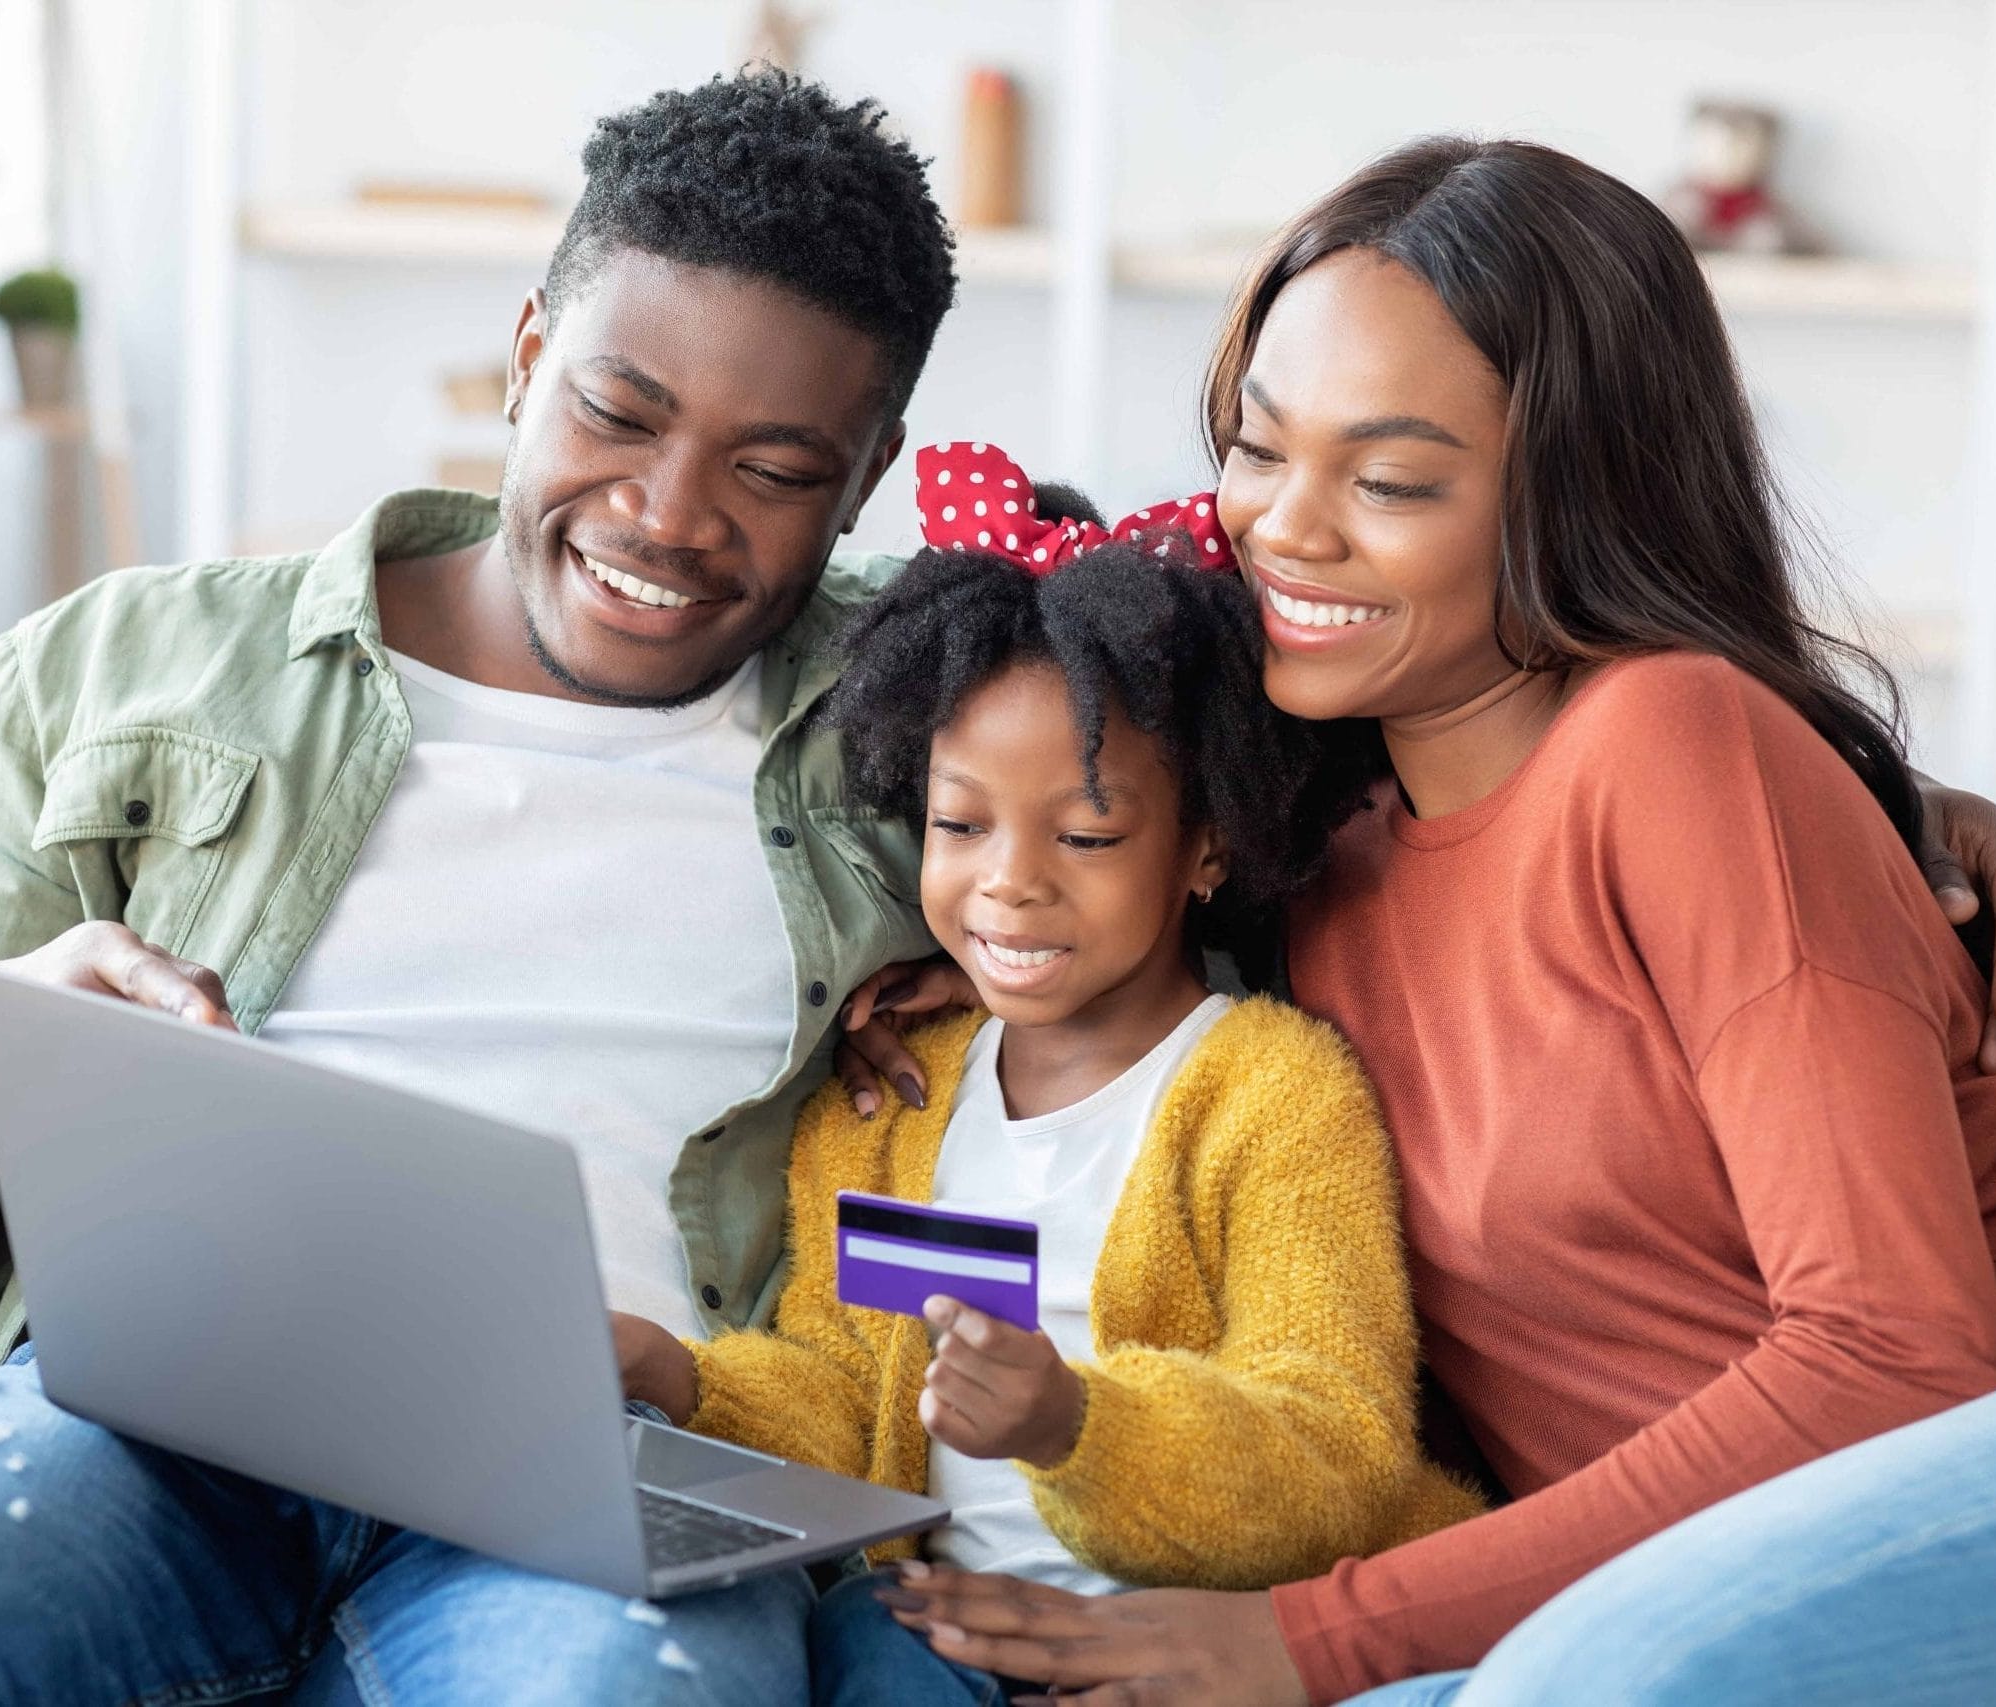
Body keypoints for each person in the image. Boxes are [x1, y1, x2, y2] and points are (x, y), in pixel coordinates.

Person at [863, 138, 1996, 1705]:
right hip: (1595, 1602)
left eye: (1389, 480)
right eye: (1255, 449)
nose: (1283, 530)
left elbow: (1901, 1361)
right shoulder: (1313, 850)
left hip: (1894, 1524)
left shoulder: (1673, 743)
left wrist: (1311, 1634)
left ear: (1574, 496)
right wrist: (1018, 960)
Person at [0, 70, 953, 1705]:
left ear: (868, 473)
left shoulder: (933, 736)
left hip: (617, 1461)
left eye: (772, 468)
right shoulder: (128, 666)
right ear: (526, 353)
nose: (665, 519)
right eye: (618, 409)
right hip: (147, 1414)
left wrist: (1044, 973)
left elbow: (1196, 709)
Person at [610, 446, 1481, 1707]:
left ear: (1206, 848)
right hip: (947, 1637)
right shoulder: (886, 1107)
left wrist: (1073, 1422)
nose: (1009, 882)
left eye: (1084, 835)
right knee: (861, 1629)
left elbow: (1332, 1450)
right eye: (962, 825)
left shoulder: (1271, 1099)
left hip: (1219, 1644)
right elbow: (850, 1397)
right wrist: (682, 1380)